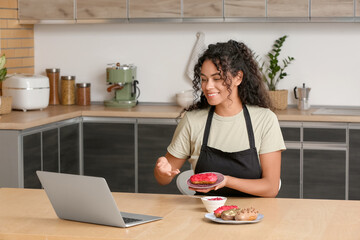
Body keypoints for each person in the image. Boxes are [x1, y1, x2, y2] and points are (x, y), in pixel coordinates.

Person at [154, 40, 286, 197]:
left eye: (216, 78)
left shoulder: (264, 120)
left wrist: (226, 180)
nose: (208, 86)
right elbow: (164, 178)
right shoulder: (192, 121)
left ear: (238, 78)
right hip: (204, 215)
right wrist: (162, 172)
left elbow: (270, 187)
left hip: (252, 216)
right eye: (204, 79)